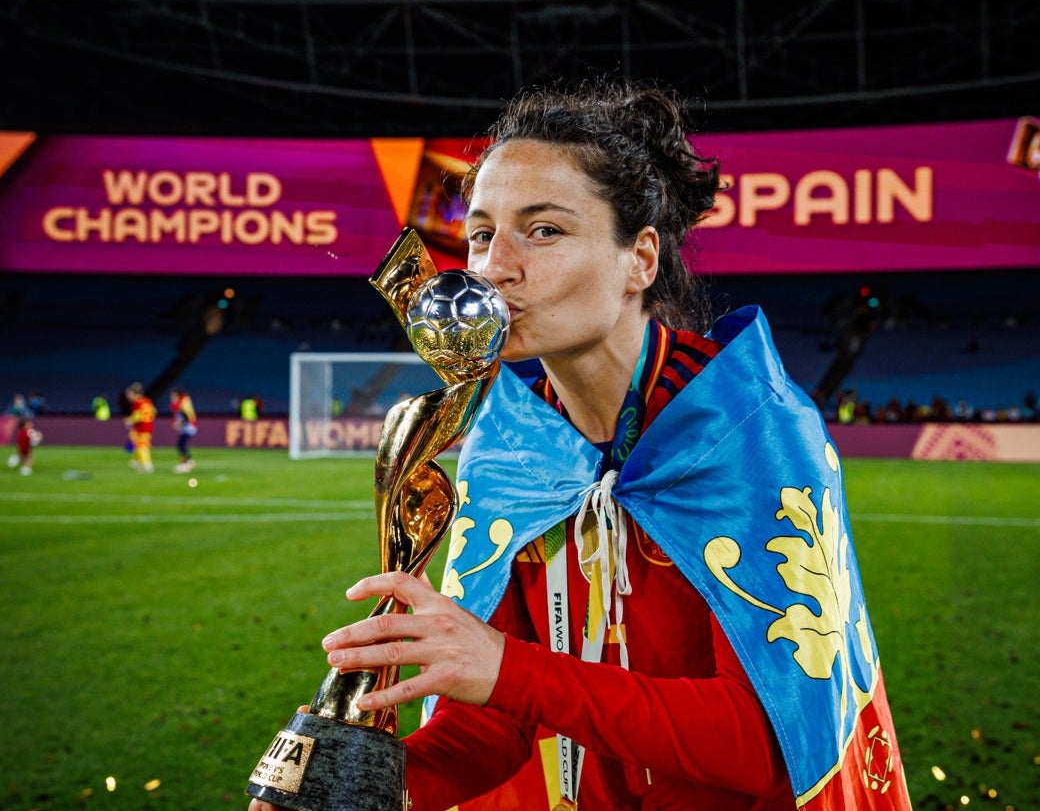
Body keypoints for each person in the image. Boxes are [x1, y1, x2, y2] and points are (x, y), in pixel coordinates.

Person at [250, 77, 910, 811]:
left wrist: (504, 666)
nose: (493, 268)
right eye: (480, 233)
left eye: (543, 231)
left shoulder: (750, 427)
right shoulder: (508, 448)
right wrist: (352, 789)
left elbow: (761, 746)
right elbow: (489, 733)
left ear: (642, 260)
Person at [124, 382, 156, 473]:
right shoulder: (147, 401)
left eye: (130, 394)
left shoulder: (137, 403)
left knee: (142, 446)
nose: (129, 396)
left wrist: (130, 420)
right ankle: (138, 462)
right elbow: (154, 412)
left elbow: (138, 416)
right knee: (138, 444)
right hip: (148, 427)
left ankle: (147, 465)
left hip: (142, 427)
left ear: (135, 394)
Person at [170, 387, 198, 473]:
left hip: (189, 426)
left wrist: (179, 423)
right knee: (182, 444)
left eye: (173, 396)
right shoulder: (181, 402)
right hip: (187, 426)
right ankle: (189, 462)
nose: (172, 397)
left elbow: (187, 415)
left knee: (181, 445)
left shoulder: (184, 401)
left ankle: (185, 464)